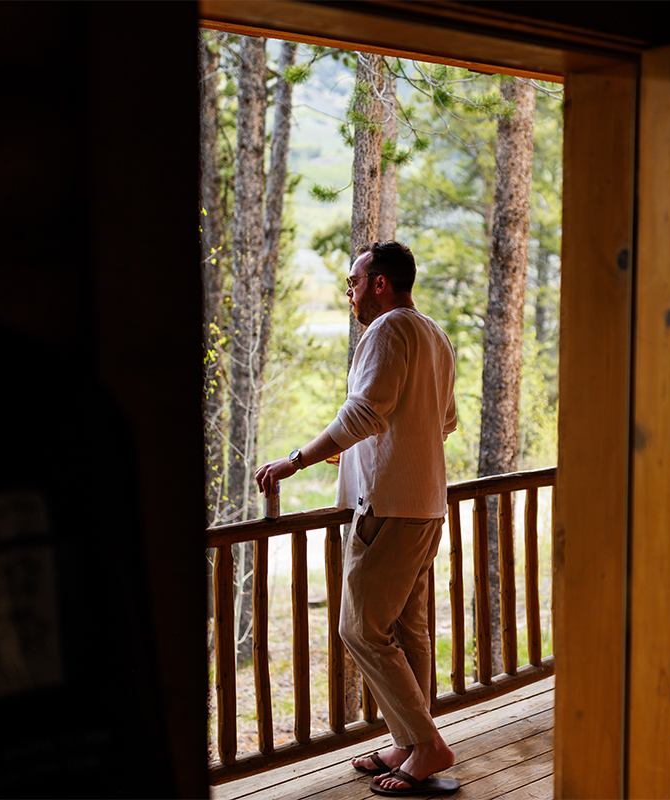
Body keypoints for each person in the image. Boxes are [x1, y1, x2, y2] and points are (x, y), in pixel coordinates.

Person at [255, 241, 460, 797]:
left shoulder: (387, 330)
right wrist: (364, 449)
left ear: (380, 283)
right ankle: (410, 743)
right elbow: (443, 422)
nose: (348, 293)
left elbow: (366, 411)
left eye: (353, 281)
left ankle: (428, 745)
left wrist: (297, 459)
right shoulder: (434, 334)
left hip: (390, 508)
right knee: (408, 630)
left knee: (359, 628)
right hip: (426, 505)